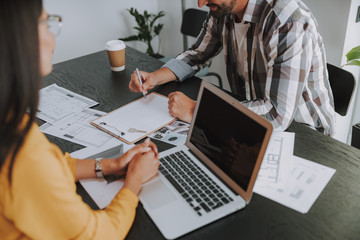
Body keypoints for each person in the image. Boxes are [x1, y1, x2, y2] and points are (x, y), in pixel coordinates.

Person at [0, 0, 159, 239]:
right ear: (20, 40)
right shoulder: (21, 153)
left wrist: (109, 165)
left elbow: (52, 167)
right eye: (47, 23)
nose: (54, 34)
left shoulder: (9, 118)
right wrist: (134, 182)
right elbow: (100, 234)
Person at [129, 0, 335, 136]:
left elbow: (276, 115)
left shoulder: (287, 22)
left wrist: (196, 110)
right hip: (249, 117)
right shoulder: (222, 9)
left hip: (304, 135)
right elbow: (198, 54)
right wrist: (155, 77)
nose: (201, 2)